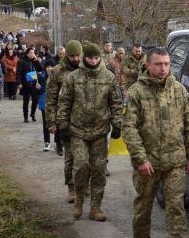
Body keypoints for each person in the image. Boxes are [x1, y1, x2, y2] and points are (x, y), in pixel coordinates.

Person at [122, 47, 189, 238]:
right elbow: (129, 128)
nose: (163, 68)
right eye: (158, 64)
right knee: (143, 207)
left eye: (166, 64)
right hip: (148, 164)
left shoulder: (179, 90)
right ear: (148, 65)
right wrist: (140, 159)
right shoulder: (136, 92)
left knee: (176, 208)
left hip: (175, 161)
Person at [57, 41, 122, 221]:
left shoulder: (108, 77)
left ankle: (95, 207)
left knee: (99, 169)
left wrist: (117, 123)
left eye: (96, 58)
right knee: (82, 166)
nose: (93, 61)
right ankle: (79, 200)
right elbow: (64, 102)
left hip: (100, 132)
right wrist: (62, 125)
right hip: (77, 131)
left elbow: (116, 103)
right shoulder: (73, 77)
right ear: (84, 57)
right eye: (89, 57)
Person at [46, 40, 82, 196]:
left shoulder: (86, 68)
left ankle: (85, 183)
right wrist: (51, 122)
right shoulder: (57, 72)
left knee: (87, 158)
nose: (75, 59)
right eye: (72, 56)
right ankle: (72, 187)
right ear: (67, 55)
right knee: (70, 157)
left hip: (85, 120)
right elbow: (51, 99)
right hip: (65, 120)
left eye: (77, 56)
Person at [17, 47, 44, 122]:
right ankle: (25, 116)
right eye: (31, 53)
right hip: (25, 84)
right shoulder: (21, 61)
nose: (32, 54)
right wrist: (19, 83)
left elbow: (40, 69)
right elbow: (18, 73)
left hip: (34, 84)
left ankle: (33, 114)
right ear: (27, 53)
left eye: (33, 53)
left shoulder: (34, 61)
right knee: (26, 101)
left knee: (35, 100)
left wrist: (37, 61)